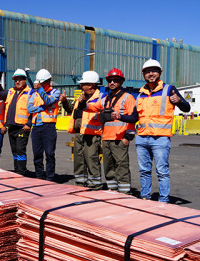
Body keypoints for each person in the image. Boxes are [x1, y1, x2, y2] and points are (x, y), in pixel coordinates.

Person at [119, 59, 190, 202]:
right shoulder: (140, 94)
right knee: (144, 171)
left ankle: (163, 200)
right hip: (142, 138)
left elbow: (187, 108)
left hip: (161, 138)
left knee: (162, 171)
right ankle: (145, 197)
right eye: (148, 71)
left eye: (154, 71)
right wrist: (120, 116)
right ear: (143, 74)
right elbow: (134, 117)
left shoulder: (169, 89)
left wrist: (180, 101)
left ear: (160, 72)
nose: (151, 74)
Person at [75, 68, 136, 194]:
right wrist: (82, 104)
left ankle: (125, 193)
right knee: (109, 168)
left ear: (121, 82)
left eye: (116, 80)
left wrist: (127, 138)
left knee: (121, 167)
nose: (112, 82)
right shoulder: (106, 99)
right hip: (107, 138)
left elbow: (133, 118)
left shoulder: (127, 98)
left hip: (120, 139)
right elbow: (92, 107)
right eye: (110, 80)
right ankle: (112, 191)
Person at [62, 71, 103, 189]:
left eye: (83, 84)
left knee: (91, 160)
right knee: (79, 161)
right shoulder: (81, 97)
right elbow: (72, 110)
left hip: (92, 135)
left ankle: (95, 186)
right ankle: (80, 184)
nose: (80, 86)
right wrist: (64, 102)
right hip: (80, 134)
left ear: (90, 85)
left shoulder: (100, 98)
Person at [0, 68, 33, 175]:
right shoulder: (10, 92)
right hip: (12, 127)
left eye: (20, 79)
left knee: (20, 150)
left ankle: (22, 172)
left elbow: (34, 111)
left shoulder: (30, 93)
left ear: (25, 80)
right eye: (16, 80)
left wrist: (29, 123)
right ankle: (17, 170)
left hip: (22, 127)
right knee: (14, 151)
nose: (17, 82)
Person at [27, 69, 60, 181]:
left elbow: (48, 101)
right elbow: (29, 108)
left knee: (50, 154)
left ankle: (50, 177)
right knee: (37, 154)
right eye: (40, 83)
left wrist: (40, 89)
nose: (41, 85)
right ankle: (39, 176)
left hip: (48, 127)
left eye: (43, 83)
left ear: (49, 81)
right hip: (36, 127)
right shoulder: (34, 93)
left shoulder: (55, 92)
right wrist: (40, 108)